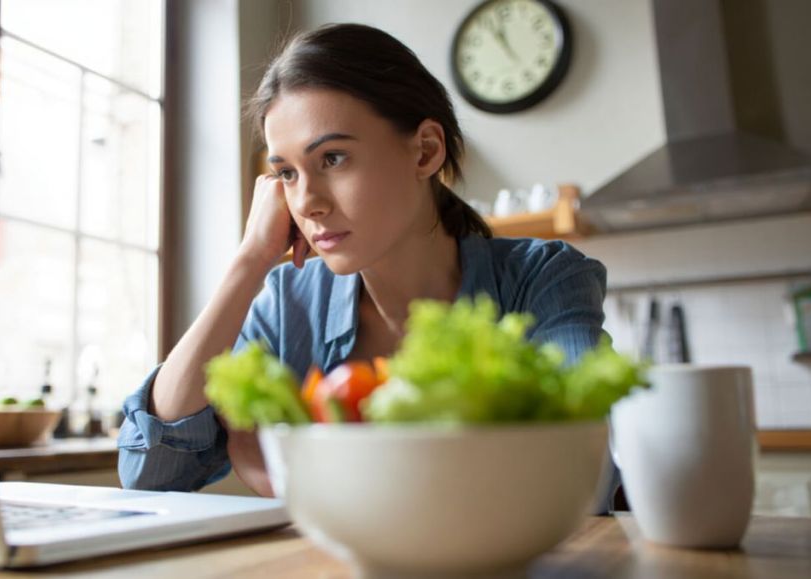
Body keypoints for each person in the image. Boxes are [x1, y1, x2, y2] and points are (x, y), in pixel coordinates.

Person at [118, 23, 616, 512]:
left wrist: (303, 483)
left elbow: (577, 472)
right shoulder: (285, 304)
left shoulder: (544, 279)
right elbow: (150, 474)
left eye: (333, 158)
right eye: (287, 173)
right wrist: (249, 261)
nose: (307, 202)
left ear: (425, 151)